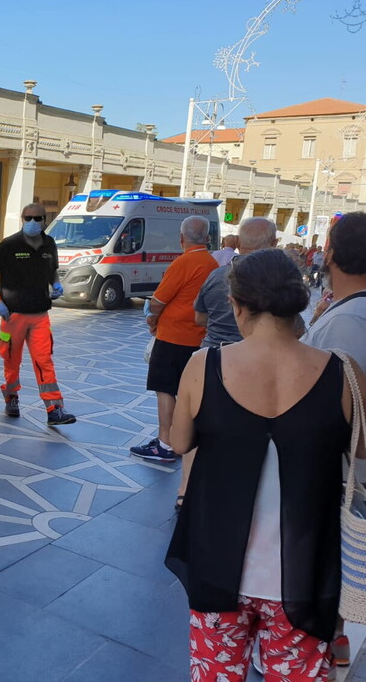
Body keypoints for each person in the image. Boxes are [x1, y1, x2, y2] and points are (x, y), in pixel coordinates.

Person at [165, 248, 364, 682]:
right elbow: (362, 449)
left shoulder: (205, 365)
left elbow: (179, 442)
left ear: (237, 306)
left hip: (217, 565)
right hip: (306, 572)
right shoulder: (341, 372)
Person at [170, 219, 279, 510]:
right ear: (272, 244)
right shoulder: (277, 279)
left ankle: (184, 491)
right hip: (256, 362)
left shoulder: (218, 275)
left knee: (197, 423)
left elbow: (199, 318)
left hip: (211, 357)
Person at [301, 212, 366, 673]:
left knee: (332, 562)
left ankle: (327, 637)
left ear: (329, 255)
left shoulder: (342, 328)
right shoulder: (343, 317)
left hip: (345, 479)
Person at [131, 216, 217, 462]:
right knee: (186, 392)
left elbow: (158, 301)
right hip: (197, 337)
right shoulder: (211, 263)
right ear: (208, 238)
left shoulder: (183, 262)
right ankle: (183, 439)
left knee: (165, 389)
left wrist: (152, 318)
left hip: (172, 337)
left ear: (181, 239)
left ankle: (165, 443)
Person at [0, 203, 76, 426]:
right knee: (11, 361)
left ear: (45, 220)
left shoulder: (49, 244)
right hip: (13, 315)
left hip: (40, 315)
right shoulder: (9, 244)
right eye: (28, 218)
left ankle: (54, 409)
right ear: (23, 219)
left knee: (44, 360)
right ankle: (11, 398)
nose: (32, 222)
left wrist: (56, 285)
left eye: (37, 218)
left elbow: (52, 270)